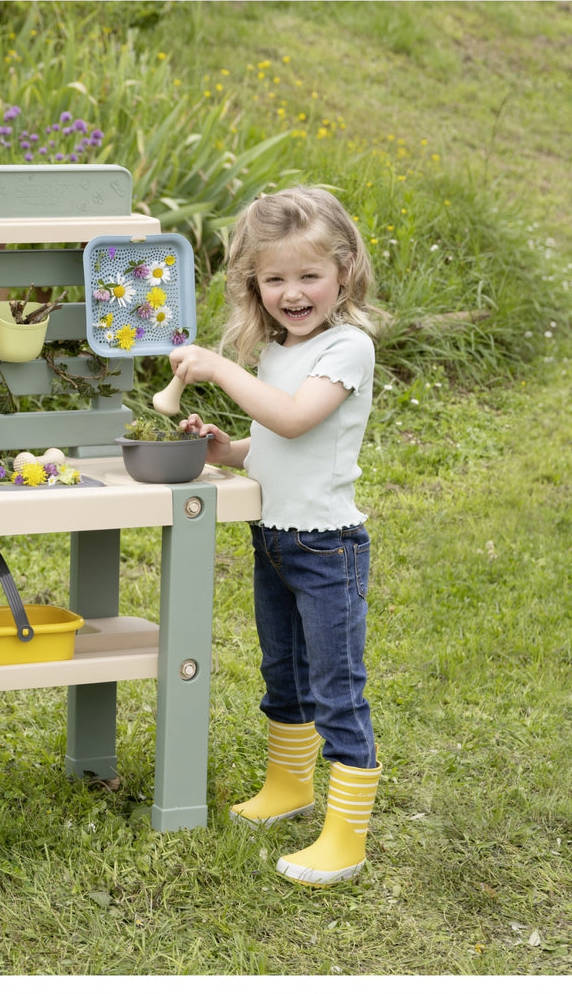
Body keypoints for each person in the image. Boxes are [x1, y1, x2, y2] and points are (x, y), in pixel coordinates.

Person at [168, 186, 383, 887]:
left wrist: (219, 368)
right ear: (254, 285)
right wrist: (226, 449)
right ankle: (289, 786)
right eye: (275, 279)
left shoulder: (348, 347)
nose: (292, 293)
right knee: (282, 673)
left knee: (336, 688)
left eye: (309, 275)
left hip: (327, 548)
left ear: (343, 272)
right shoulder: (278, 352)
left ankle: (346, 837)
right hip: (275, 540)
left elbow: (293, 418)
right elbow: (275, 439)